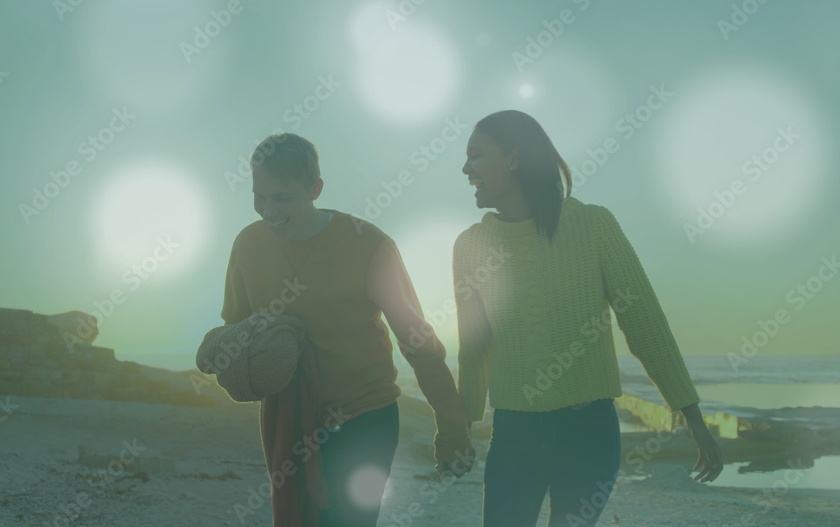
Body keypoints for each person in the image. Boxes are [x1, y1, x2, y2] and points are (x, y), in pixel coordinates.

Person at [452, 110, 723, 526]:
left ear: (514, 158)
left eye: (477, 155)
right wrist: (459, 428)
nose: (466, 168)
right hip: (513, 433)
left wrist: (691, 416)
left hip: (588, 433)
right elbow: (474, 349)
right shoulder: (470, 246)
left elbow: (645, 323)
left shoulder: (594, 226)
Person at [221, 132, 475, 526]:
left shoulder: (369, 246)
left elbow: (418, 343)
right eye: (260, 197)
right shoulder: (248, 245)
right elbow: (235, 332)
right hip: (290, 422)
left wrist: (453, 429)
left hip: (365, 419)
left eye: (282, 198)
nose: (269, 211)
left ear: (315, 189)